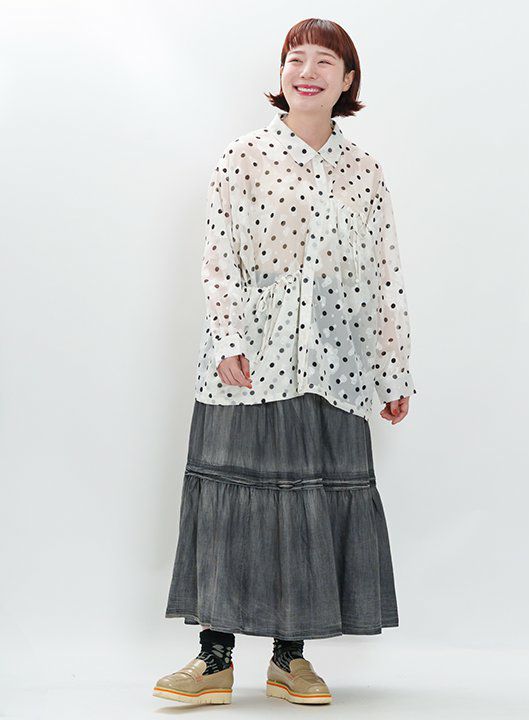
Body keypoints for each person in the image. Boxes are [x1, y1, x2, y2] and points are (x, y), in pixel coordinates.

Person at [153, 17, 417, 707]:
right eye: (295, 58)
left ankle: (289, 658)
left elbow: (382, 276)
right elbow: (218, 258)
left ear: (347, 80)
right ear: (281, 75)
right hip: (249, 359)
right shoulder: (242, 157)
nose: (307, 71)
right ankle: (213, 657)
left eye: (325, 61)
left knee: (307, 505)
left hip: (335, 363)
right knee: (230, 504)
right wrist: (228, 338)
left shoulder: (365, 172)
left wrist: (392, 371)